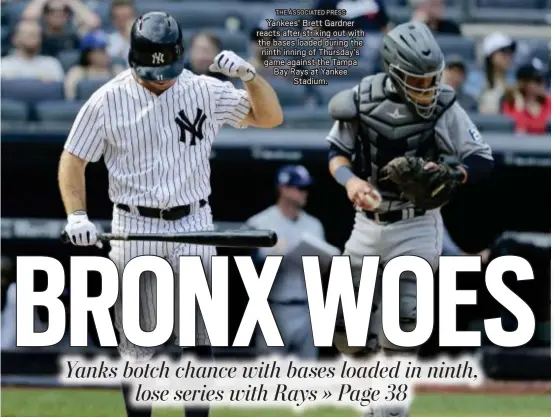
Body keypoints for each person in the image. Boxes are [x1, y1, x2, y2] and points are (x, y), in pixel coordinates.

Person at [57, 11, 282, 417]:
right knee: (139, 345)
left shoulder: (204, 90)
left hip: (193, 220)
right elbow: (73, 160)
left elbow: (270, 118)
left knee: (197, 340)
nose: (161, 78)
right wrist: (77, 215)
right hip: (134, 222)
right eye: (151, 71)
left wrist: (250, 77)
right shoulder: (108, 98)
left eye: (167, 70)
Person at [325, 22, 494, 416]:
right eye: (417, 81)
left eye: (430, 80)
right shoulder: (361, 98)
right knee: (344, 327)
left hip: (417, 224)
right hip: (367, 221)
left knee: (402, 325)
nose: (427, 89)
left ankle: (389, 409)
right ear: (393, 71)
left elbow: (482, 158)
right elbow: (335, 152)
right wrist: (350, 183)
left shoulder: (445, 105)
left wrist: (454, 174)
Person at [246, 165, 326, 360]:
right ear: (283, 188)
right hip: (273, 308)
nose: (304, 193)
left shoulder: (314, 225)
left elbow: (323, 271)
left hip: (307, 308)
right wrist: (273, 254)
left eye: (306, 188)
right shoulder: (260, 223)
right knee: (269, 376)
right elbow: (246, 273)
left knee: (307, 379)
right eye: (299, 188)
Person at [22, 0, 100, 57]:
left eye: (64, 10)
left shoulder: (73, 36)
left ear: (68, 15)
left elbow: (93, 23)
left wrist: (71, 2)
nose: (58, 13)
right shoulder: (38, 36)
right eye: (51, 10)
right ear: (45, 15)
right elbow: (27, 18)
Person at [64, 30, 125, 100]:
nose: (105, 53)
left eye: (105, 49)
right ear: (88, 54)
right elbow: (70, 98)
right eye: (100, 50)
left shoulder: (117, 71)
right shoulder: (77, 72)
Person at [502, 58, 551, 135]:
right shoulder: (510, 104)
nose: (543, 84)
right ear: (524, 83)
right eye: (538, 80)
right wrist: (519, 108)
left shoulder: (548, 102)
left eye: (544, 79)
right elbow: (518, 132)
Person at [476, 33, 517, 114]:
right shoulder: (478, 81)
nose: (509, 56)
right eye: (504, 52)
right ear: (491, 55)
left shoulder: (514, 81)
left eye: (510, 52)